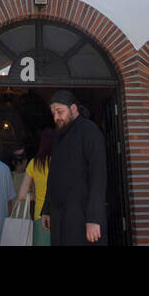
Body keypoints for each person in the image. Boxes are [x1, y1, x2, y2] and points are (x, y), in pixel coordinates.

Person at [41, 90, 107, 245]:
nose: (56, 117)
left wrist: (94, 219)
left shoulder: (90, 132)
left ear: (74, 108)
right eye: (53, 113)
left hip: (82, 217)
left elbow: (99, 177)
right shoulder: (59, 137)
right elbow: (53, 176)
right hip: (59, 217)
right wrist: (46, 209)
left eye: (60, 112)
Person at [17, 127, 54, 246]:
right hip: (59, 216)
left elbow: (22, 195)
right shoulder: (59, 162)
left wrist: (35, 196)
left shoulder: (34, 163)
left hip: (40, 216)